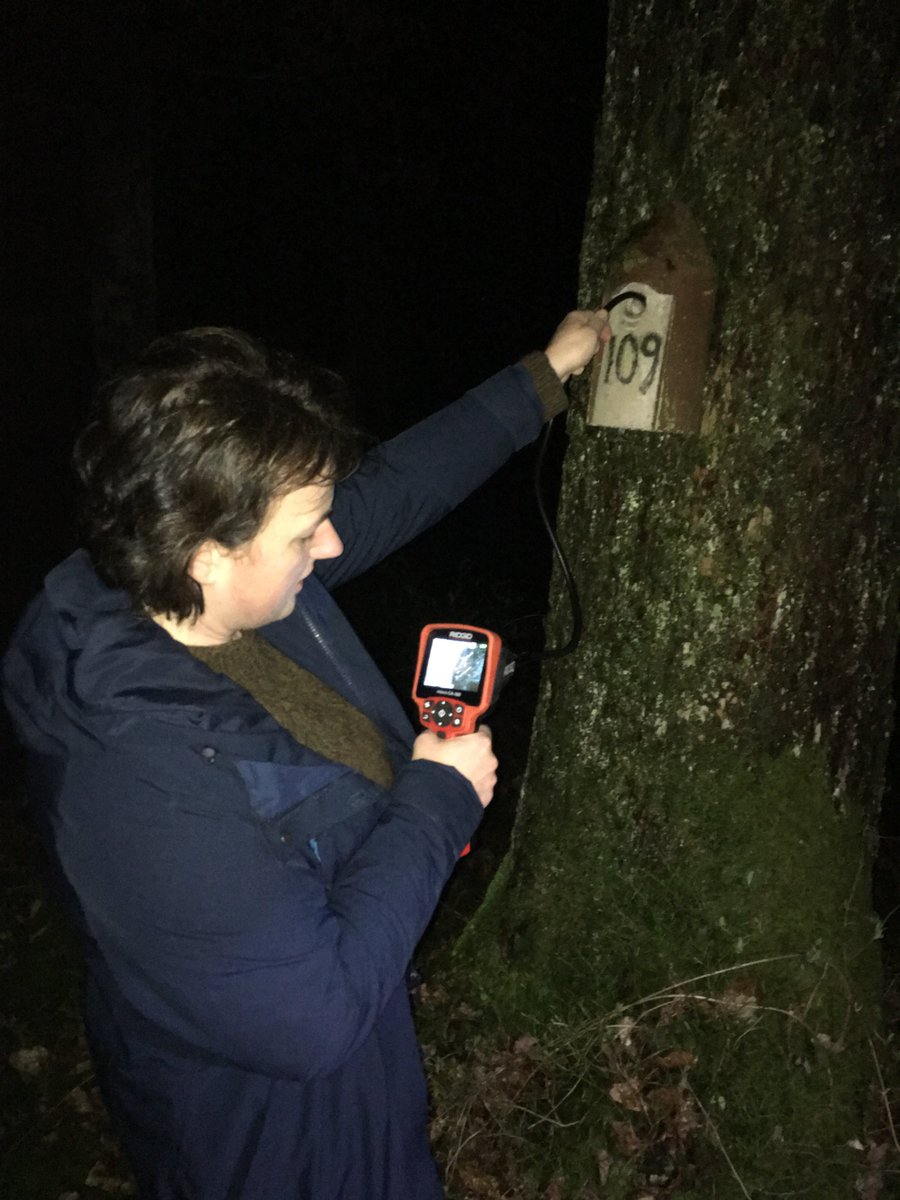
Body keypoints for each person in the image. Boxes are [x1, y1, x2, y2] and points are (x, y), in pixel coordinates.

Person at [2, 310, 608, 1200]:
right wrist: (437, 801)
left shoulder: (181, 578)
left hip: (346, 1086)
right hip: (271, 1133)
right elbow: (312, 1021)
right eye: (305, 532)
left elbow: (395, 488)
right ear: (208, 553)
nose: (328, 546)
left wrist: (543, 378)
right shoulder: (137, 782)